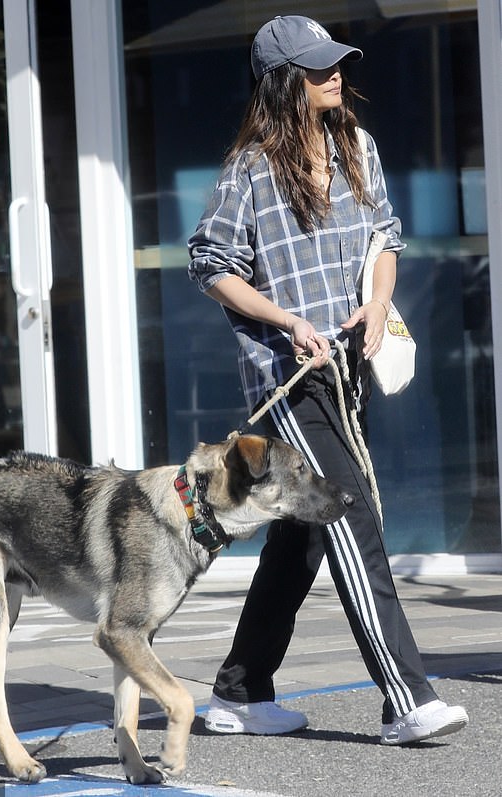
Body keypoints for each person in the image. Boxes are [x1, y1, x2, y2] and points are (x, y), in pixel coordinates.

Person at [188, 15, 468, 745]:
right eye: (316, 69)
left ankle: (240, 692)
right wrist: (284, 320)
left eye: (335, 63)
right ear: (284, 83)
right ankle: (405, 695)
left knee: (302, 538)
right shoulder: (248, 171)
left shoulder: (356, 147)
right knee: (346, 513)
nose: (334, 75)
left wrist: (377, 303)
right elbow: (210, 263)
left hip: (346, 372)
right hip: (288, 377)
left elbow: (384, 239)